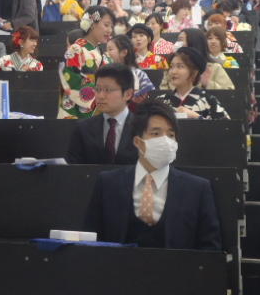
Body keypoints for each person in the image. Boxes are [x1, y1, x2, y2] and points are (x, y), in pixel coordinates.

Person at [84, 99, 222, 250]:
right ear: (138, 142)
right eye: (156, 133)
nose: (165, 140)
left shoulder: (197, 189)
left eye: (171, 135)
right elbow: (91, 241)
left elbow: (210, 249)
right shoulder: (108, 183)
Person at [66, 64, 138, 164]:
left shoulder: (143, 128)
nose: (100, 96)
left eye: (107, 90)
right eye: (97, 89)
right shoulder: (83, 129)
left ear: (128, 94)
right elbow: (72, 168)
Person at [58, 6, 115, 119]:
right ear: (92, 24)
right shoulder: (76, 49)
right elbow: (71, 79)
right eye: (106, 25)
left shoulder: (104, 55)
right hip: (76, 112)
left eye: (111, 26)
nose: (110, 30)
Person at [154, 48, 230, 120]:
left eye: (180, 66)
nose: (173, 71)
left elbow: (225, 127)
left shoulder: (209, 101)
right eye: (171, 66)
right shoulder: (160, 101)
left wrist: (197, 117)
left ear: (194, 72)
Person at [170, 29, 234, 90]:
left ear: (193, 41)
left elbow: (229, 91)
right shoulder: (172, 68)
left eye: (180, 40)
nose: (177, 44)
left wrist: (208, 84)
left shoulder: (214, 68)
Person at [105, 35, 155, 106]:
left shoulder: (138, 73)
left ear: (124, 52)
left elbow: (149, 92)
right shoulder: (106, 74)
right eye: (106, 50)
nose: (107, 53)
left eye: (110, 49)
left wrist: (140, 96)